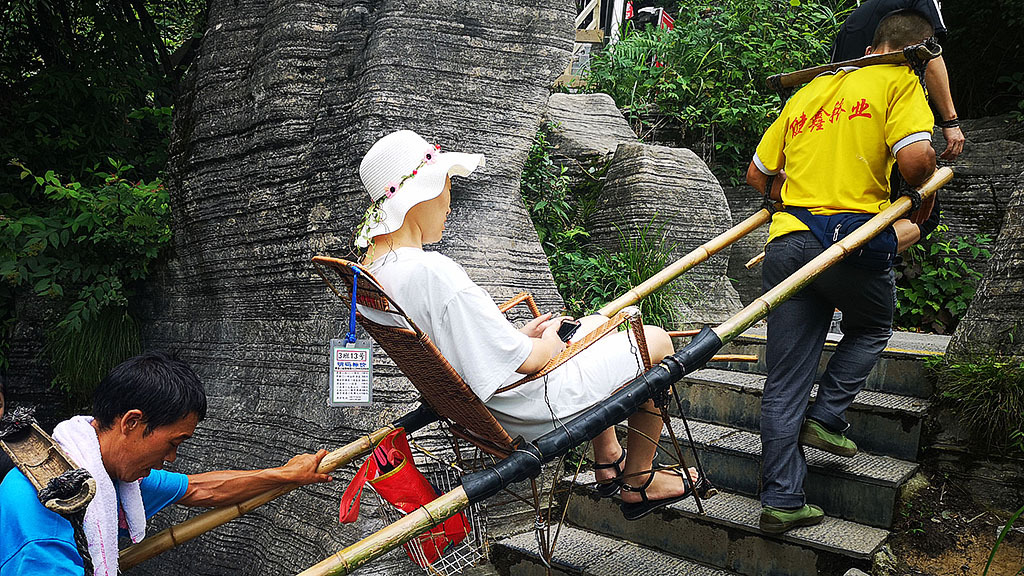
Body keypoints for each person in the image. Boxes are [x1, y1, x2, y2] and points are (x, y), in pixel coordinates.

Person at [353, 129, 709, 521]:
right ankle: (639, 481)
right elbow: (534, 362)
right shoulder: (433, 272)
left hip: (482, 406)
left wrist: (516, 338)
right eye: (447, 183)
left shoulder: (374, 274)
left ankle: (607, 459)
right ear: (422, 190)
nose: (450, 201)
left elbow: (449, 345)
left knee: (591, 323)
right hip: (528, 405)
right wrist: (549, 342)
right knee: (654, 340)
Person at [746, 10, 937, 533]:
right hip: (854, 240)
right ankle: (828, 415)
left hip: (787, 242)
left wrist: (797, 199)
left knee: (784, 379)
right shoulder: (898, 79)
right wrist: (916, 193)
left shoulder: (807, 93)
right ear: (908, 50)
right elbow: (919, 160)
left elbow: (757, 175)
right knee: (874, 325)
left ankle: (782, 500)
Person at [0, 351, 333, 575]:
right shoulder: (45, 512)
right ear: (131, 423)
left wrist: (286, 475)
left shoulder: (108, 475)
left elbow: (202, 490)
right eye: (173, 443)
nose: (171, 458)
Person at [832, 0, 964, 162]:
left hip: (843, 105)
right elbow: (928, 52)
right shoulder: (923, 1)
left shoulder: (860, 16)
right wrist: (951, 121)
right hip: (880, 100)